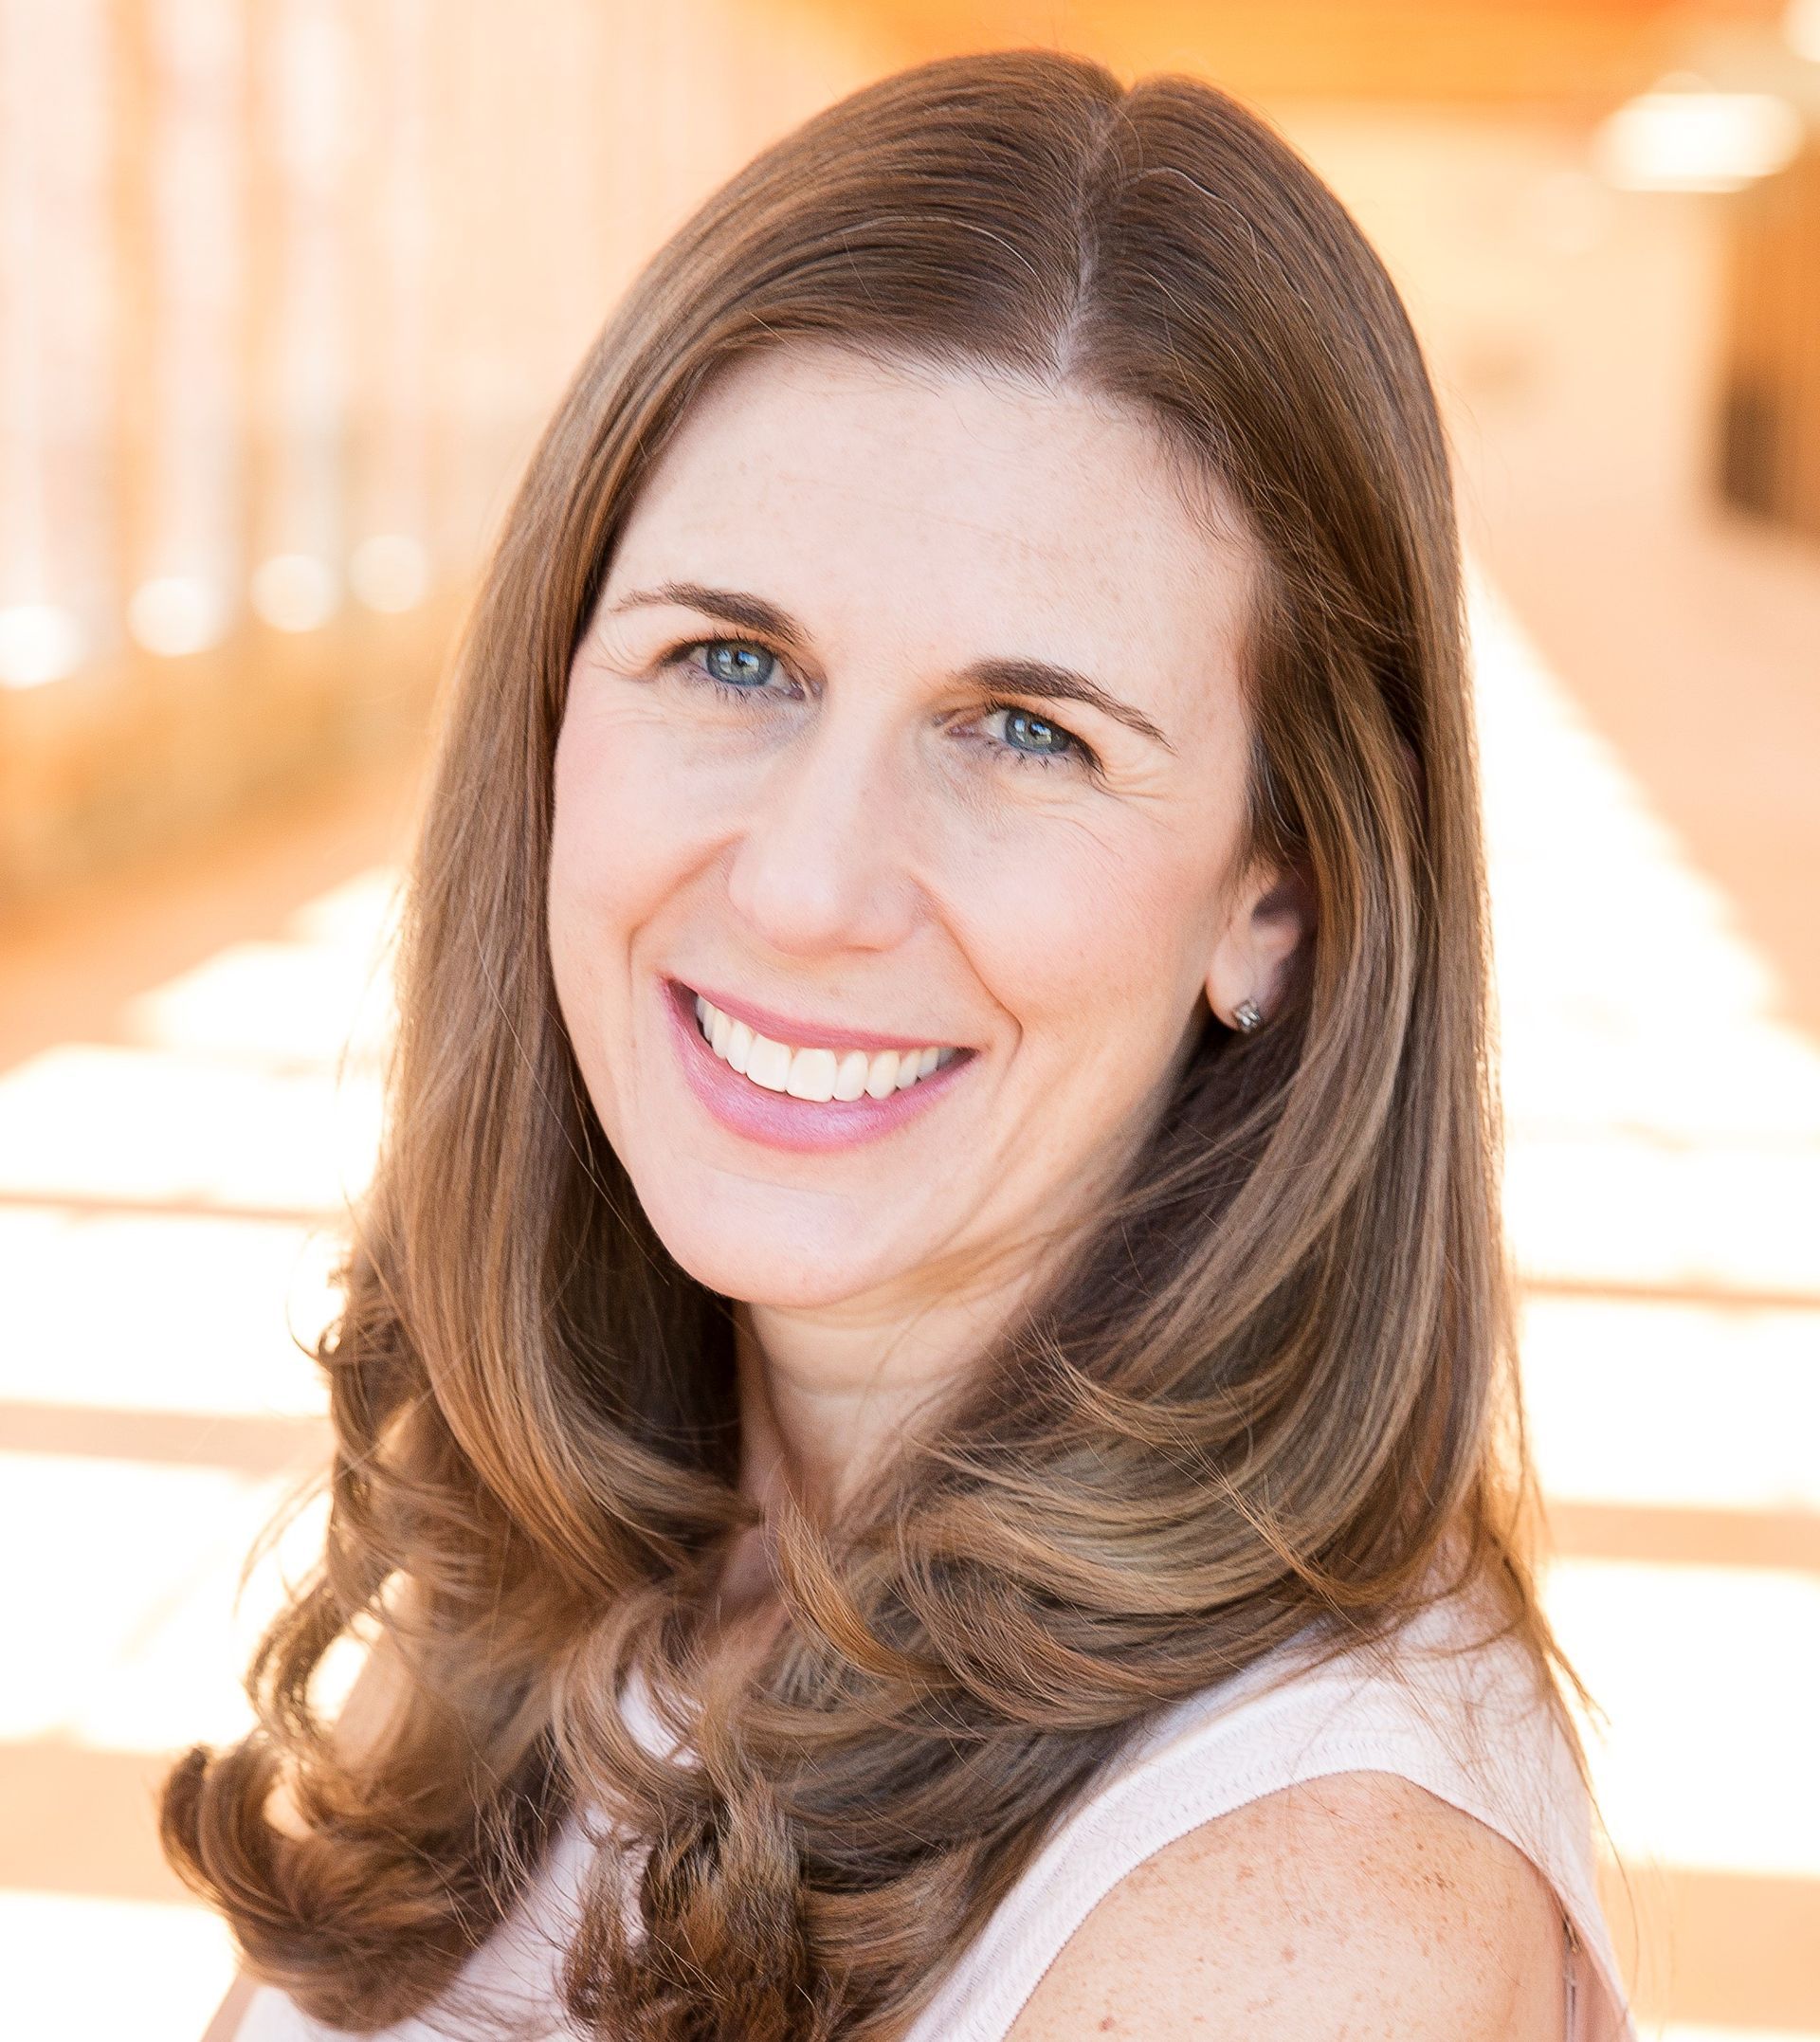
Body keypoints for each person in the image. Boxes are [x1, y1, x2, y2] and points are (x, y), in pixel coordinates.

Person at [167, 47, 1638, 2042]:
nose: (805, 884)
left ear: (1272, 901)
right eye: (733, 660)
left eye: (1027, 729)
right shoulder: (615, 1537)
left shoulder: (1300, 1927)